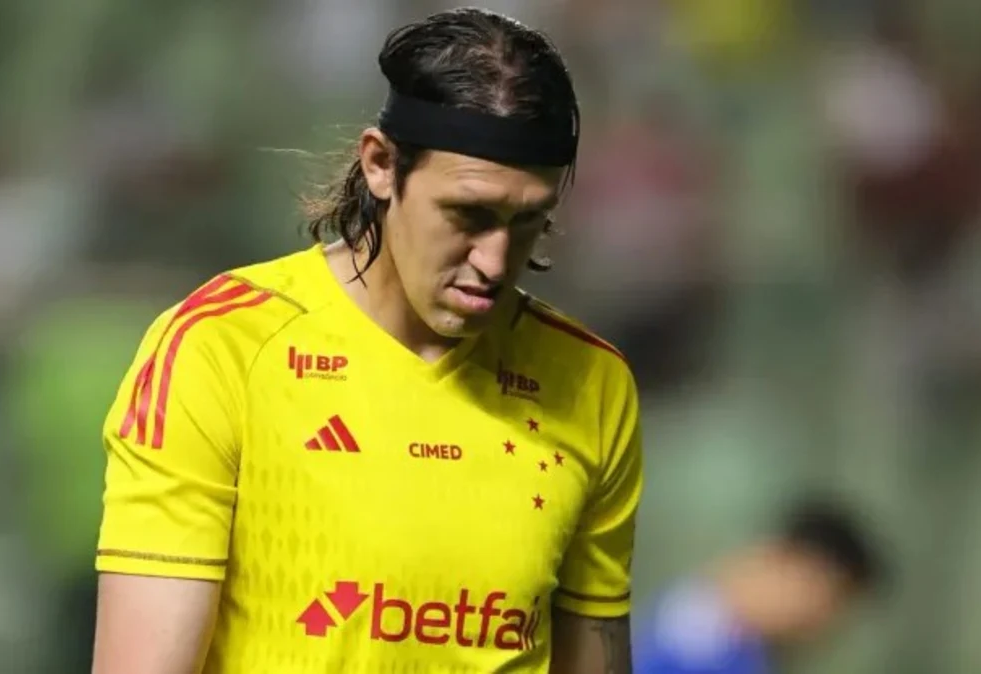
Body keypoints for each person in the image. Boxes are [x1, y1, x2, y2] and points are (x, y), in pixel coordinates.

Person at [91, 8, 643, 674]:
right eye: (468, 214)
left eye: (528, 222)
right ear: (381, 165)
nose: (496, 261)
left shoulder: (591, 383)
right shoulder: (222, 348)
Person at [631, 499, 885, 674]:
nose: (823, 626)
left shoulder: (744, 648)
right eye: (830, 602)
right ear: (790, 561)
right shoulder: (692, 639)